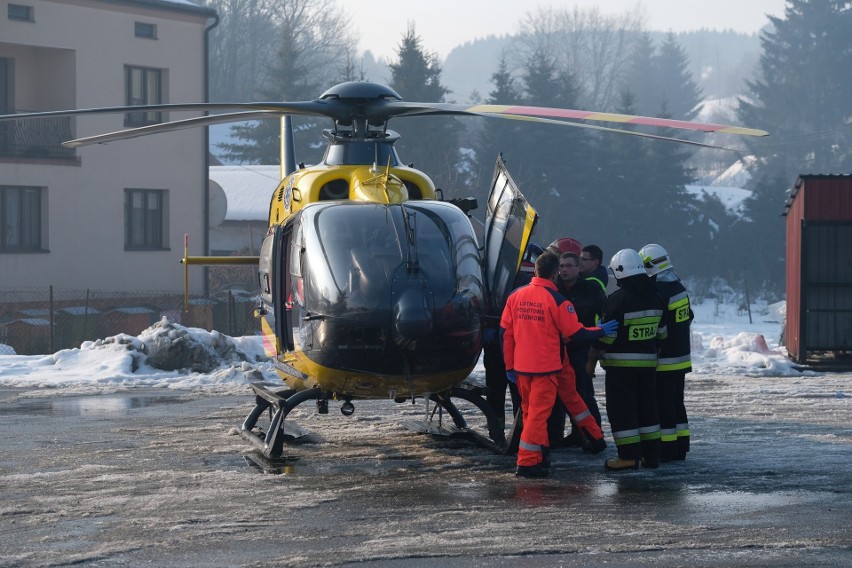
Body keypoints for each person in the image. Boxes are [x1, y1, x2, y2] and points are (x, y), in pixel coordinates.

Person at [501, 252, 618, 478]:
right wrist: (600, 330)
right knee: (546, 411)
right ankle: (528, 461)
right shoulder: (558, 301)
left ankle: (543, 453)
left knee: (531, 412)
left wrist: (509, 366)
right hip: (548, 367)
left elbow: (507, 334)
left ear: (535, 271)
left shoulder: (516, 297)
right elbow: (576, 332)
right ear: (555, 274)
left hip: (524, 367)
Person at [592, 249, 666, 471]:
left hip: (620, 368)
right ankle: (651, 456)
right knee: (648, 409)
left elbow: (608, 336)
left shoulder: (617, 301)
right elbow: (662, 333)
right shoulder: (657, 297)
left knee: (623, 411)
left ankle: (628, 457)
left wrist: (592, 357)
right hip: (648, 365)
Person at [640, 243, 693, 461]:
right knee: (676, 403)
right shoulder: (678, 287)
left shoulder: (659, 291)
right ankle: (682, 446)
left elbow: (656, 324)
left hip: (664, 359)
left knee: (663, 405)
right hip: (680, 357)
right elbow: (688, 316)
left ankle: (668, 449)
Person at [548, 251, 607, 448]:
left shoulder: (591, 289)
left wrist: (598, 347)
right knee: (558, 396)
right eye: (561, 266)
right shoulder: (554, 291)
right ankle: (562, 435)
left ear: (579, 268)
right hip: (558, 351)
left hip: (582, 350)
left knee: (583, 394)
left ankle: (592, 435)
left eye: (568, 266)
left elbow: (604, 315)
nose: (564, 269)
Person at [484, 243, 543, 430]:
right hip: (502, 343)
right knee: (499, 390)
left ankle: (515, 429)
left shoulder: (496, 267)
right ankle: (501, 428)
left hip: (516, 343)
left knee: (514, 392)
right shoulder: (497, 264)